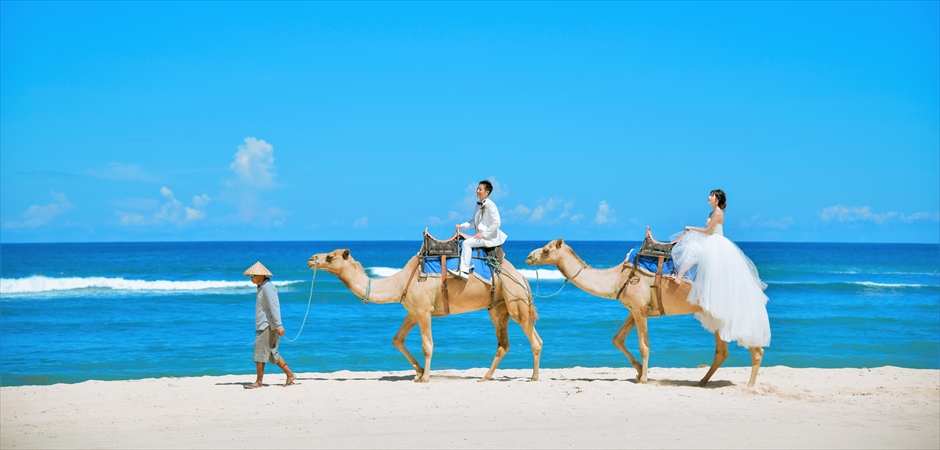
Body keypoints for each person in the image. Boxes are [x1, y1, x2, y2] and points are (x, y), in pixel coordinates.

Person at [670, 189, 771, 349]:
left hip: (716, 243)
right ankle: (683, 276)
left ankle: (679, 277)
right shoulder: (712, 212)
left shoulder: (717, 213)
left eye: (712, 195)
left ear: (717, 199)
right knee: (692, 249)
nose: (709, 196)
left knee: (693, 250)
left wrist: (691, 228)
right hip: (711, 240)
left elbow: (707, 231)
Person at [243, 261, 296, 389]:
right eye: (250, 276)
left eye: (253, 275)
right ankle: (290, 375)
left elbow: (274, 306)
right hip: (266, 324)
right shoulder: (261, 287)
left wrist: (279, 325)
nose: (251, 278)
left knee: (259, 352)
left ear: (261, 275)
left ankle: (259, 382)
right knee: (272, 353)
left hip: (267, 325)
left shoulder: (267, 288)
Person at [449, 180, 508, 280]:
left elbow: (497, 223)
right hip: (481, 236)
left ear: (487, 192)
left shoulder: (491, 205)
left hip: (489, 238)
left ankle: (464, 271)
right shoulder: (478, 204)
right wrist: (462, 226)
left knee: (467, 243)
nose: (477, 191)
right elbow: (473, 221)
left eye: (480, 189)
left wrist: (484, 234)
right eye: (477, 188)